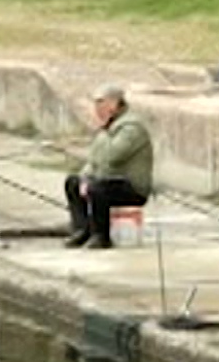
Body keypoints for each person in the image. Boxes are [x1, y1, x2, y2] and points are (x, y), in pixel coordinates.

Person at [63, 84, 152, 250]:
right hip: (108, 180)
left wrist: (103, 132)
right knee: (73, 182)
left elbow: (112, 157)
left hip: (131, 186)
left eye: (100, 104)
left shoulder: (131, 128)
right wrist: (85, 177)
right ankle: (83, 229)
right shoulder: (109, 129)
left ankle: (101, 236)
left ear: (113, 104)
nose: (96, 109)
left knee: (98, 189)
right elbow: (94, 160)